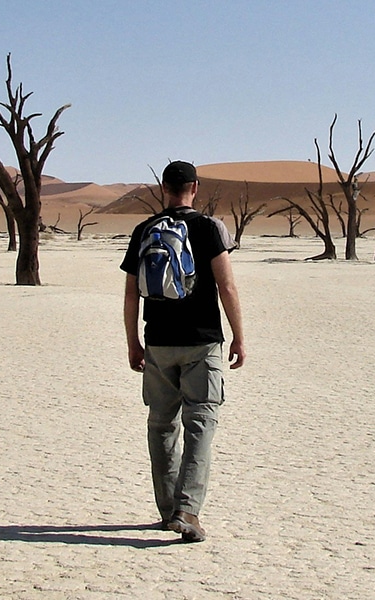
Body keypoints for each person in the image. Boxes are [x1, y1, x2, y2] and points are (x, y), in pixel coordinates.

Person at [120, 160, 245, 543]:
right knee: (201, 424)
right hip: (202, 342)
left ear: (164, 187)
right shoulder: (208, 228)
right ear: (195, 186)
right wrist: (239, 336)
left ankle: (167, 510)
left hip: (158, 341)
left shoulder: (144, 230)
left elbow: (130, 294)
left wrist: (133, 343)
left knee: (161, 425)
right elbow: (226, 287)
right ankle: (187, 510)